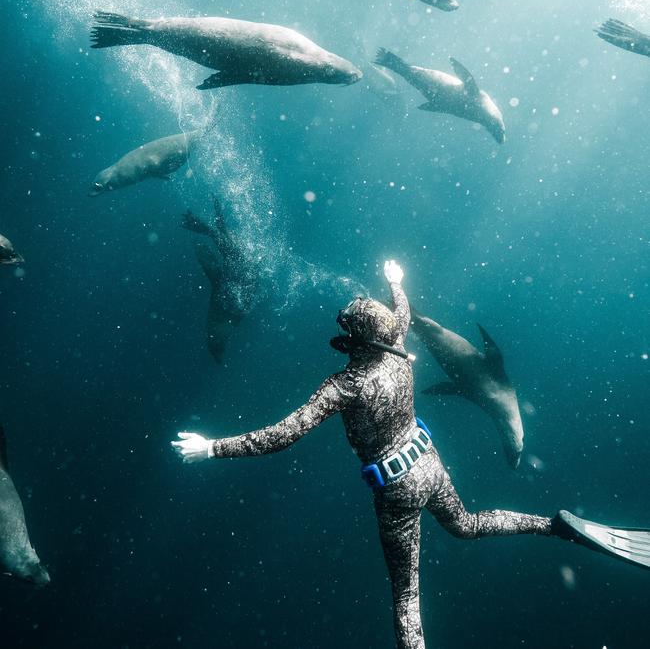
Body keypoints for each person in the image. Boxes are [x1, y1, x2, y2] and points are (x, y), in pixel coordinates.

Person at [172, 260, 649, 649]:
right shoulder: (398, 345)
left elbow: (282, 435)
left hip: (396, 487)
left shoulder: (343, 386)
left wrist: (213, 448)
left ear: (353, 339)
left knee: (406, 599)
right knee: (469, 525)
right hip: (428, 461)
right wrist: (396, 280)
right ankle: (553, 526)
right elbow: (400, 312)